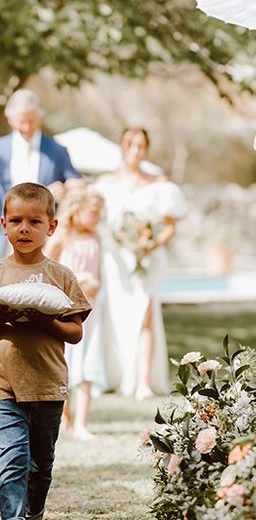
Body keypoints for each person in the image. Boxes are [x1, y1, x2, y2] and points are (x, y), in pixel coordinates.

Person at [0, 183, 90, 520]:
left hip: (49, 385)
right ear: (2, 224)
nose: (24, 228)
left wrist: (46, 321)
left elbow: (75, 332)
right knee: (13, 457)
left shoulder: (60, 277)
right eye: (16, 220)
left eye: (34, 221)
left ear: (52, 227)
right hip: (5, 387)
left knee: (40, 462)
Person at [96, 128, 186, 399]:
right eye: (130, 144)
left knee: (146, 311)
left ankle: (143, 381)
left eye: (140, 145)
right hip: (115, 260)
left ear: (146, 149)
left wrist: (149, 246)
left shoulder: (160, 185)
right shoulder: (104, 183)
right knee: (115, 314)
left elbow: (169, 227)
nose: (135, 149)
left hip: (148, 259)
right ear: (122, 147)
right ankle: (116, 375)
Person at [0, 89, 80, 272]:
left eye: (32, 121)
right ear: (10, 120)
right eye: (22, 122)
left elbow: (78, 186)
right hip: (4, 243)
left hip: (46, 246)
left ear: (40, 118)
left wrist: (66, 189)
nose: (27, 128)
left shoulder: (57, 151)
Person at [47, 186, 106, 440]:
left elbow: (100, 272)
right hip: (65, 309)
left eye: (99, 213)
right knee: (65, 363)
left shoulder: (96, 238)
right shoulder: (62, 237)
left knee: (88, 362)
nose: (96, 218)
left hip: (90, 308)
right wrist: (76, 280)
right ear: (77, 210)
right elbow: (45, 269)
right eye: (92, 212)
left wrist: (95, 284)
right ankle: (65, 418)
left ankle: (82, 422)